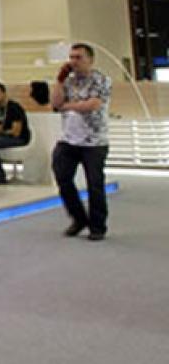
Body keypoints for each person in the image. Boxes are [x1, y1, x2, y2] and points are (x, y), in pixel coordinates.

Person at [52, 42, 111, 240]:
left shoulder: (101, 80)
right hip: (69, 139)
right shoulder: (68, 82)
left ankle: (97, 226)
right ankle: (79, 218)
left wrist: (68, 106)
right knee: (62, 177)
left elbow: (92, 105)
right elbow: (56, 103)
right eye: (71, 57)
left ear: (90, 60)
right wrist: (59, 81)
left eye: (79, 57)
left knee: (94, 184)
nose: (74, 61)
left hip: (94, 142)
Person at [0, 82, 31, 152]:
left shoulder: (14, 107)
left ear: (4, 93)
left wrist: (0, 130)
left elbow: (16, 133)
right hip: (3, 136)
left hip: (20, 138)